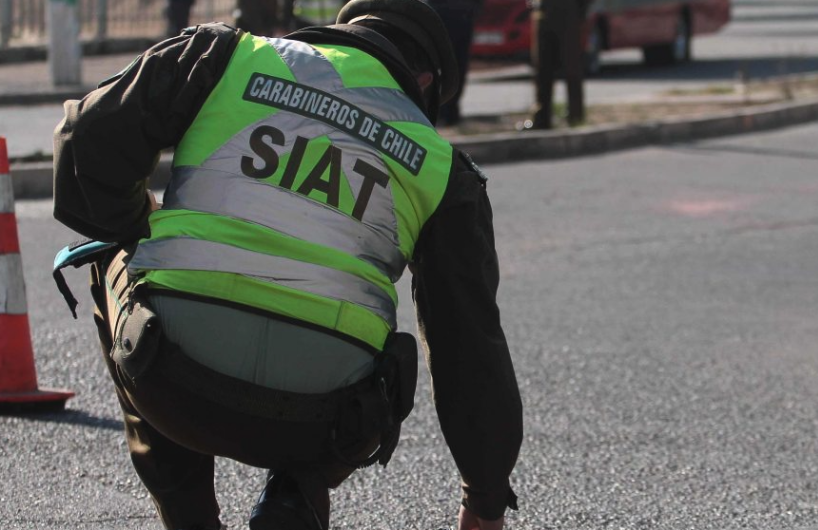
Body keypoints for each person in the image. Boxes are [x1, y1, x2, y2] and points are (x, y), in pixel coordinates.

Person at [51, 1, 523, 529]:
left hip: (169, 379)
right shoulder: (441, 168)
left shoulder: (225, 55)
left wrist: (140, 222)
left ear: (344, 32)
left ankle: (190, 519)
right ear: (426, 82)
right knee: (380, 345)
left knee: (111, 251)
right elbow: (469, 345)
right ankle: (295, 496)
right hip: (326, 421)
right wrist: (484, 498)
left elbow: (85, 139)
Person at [529, 0, 588, 129]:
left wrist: (579, 12)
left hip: (568, 13)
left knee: (571, 67)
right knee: (542, 70)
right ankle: (542, 118)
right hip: (543, 11)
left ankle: (575, 116)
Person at [428, 0, 483, 126]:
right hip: (448, 13)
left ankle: (448, 111)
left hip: (457, 13)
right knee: (449, 65)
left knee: (455, 66)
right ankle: (445, 111)